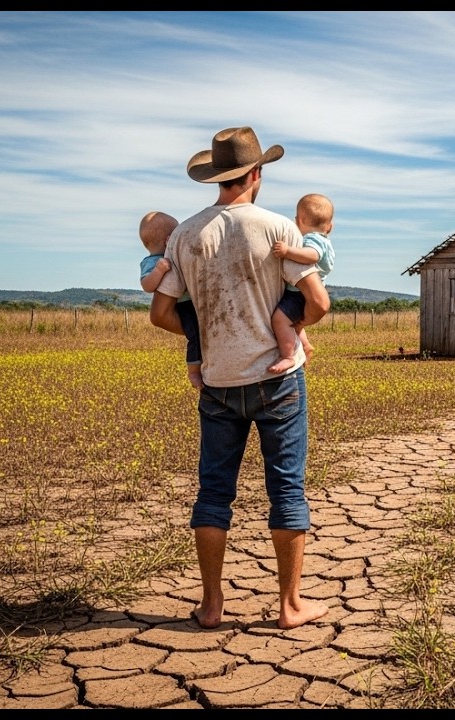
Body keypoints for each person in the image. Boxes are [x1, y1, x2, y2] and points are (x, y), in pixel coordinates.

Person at [149, 126, 332, 631]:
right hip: (278, 381)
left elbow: (160, 313)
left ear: (217, 176)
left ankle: (211, 605)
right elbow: (318, 302)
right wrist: (294, 328)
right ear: (256, 174)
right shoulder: (277, 228)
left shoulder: (185, 235)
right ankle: (290, 605)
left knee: (213, 493)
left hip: (217, 382)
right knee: (286, 490)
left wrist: (206, 336)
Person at [268, 194, 336, 374]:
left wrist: (287, 251)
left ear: (298, 221)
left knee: (280, 320)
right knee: (294, 323)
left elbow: (312, 255)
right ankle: (305, 345)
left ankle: (288, 356)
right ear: (330, 227)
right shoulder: (325, 241)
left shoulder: (312, 239)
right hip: (305, 293)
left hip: (299, 293)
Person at [139, 210, 203, 389]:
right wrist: (159, 270)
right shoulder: (152, 262)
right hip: (182, 305)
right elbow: (147, 286)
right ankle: (194, 370)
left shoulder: (174, 256)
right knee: (195, 335)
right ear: (169, 240)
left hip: (193, 301)